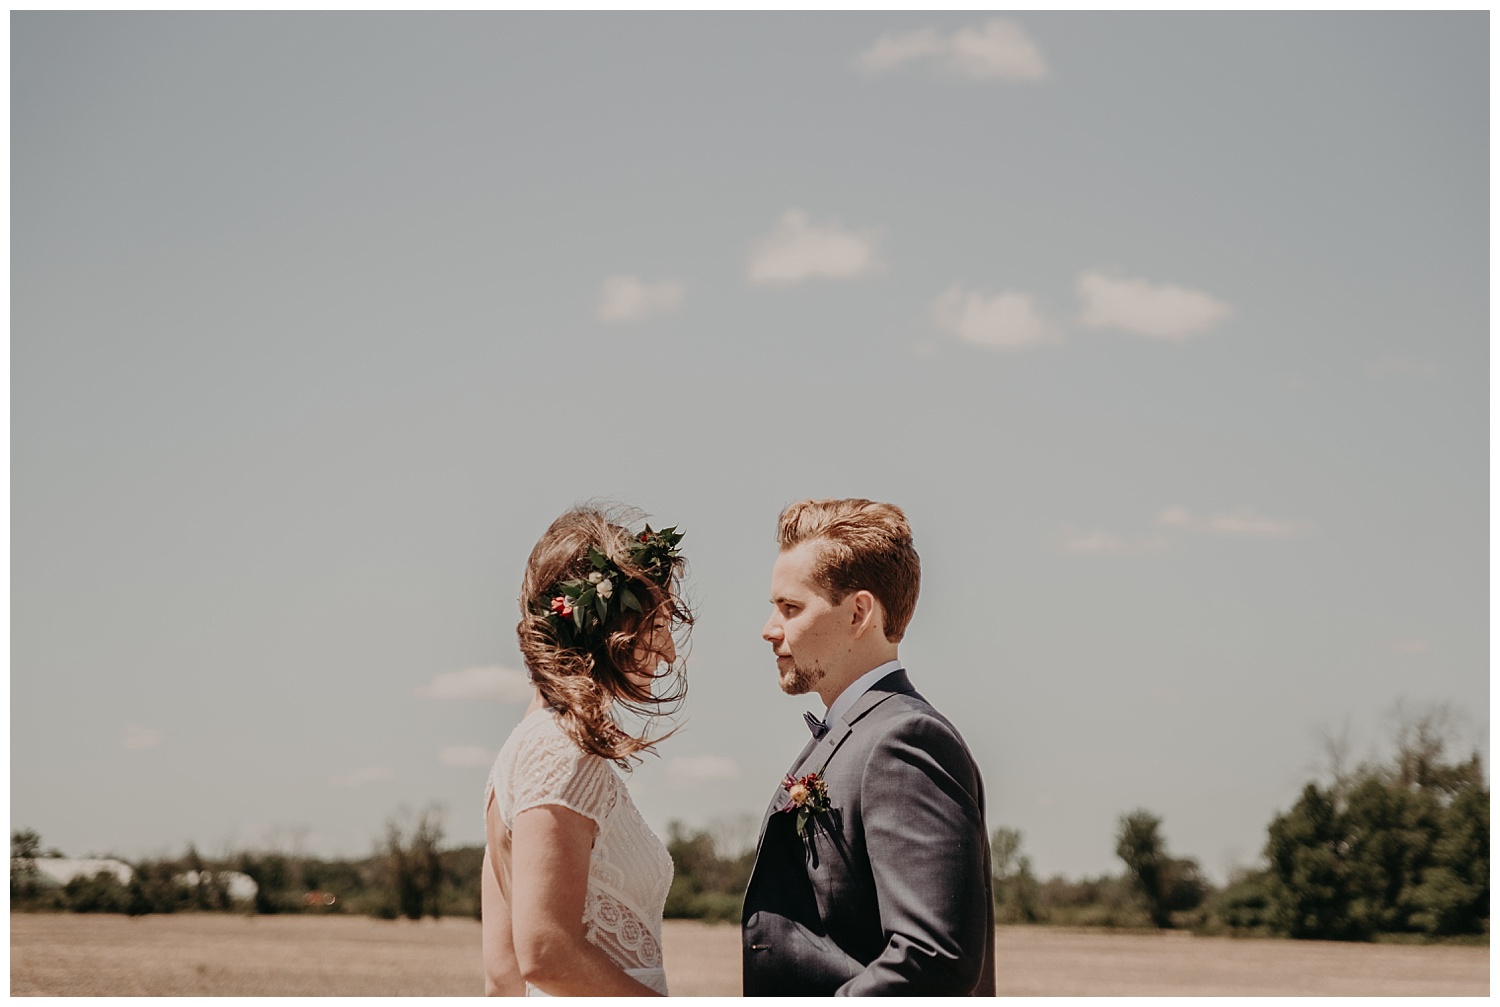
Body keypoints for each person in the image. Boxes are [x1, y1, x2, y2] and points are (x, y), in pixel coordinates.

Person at [742, 498, 996, 996]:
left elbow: (932, 959)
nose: (770, 629)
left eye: (790, 608)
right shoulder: (854, 733)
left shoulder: (903, 741)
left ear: (859, 612)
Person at [481, 506, 690, 997]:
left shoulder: (519, 752)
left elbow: (502, 976)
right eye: (656, 625)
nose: (669, 651)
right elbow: (546, 952)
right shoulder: (557, 750)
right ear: (611, 623)